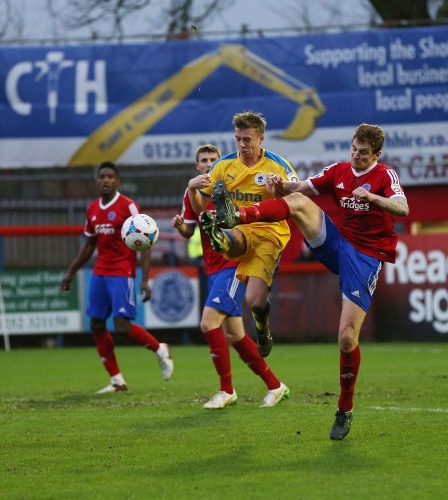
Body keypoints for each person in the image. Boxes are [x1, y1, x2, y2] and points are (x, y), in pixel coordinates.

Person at [211, 123, 409, 440]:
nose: (356, 156)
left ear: (377, 155)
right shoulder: (339, 171)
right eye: (354, 149)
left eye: (363, 153)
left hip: (365, 258)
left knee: (346, 338)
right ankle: (239, 216)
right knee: (301, 203)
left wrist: (373, 197)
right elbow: (300, 188)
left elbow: (403, 207)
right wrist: (281, 185)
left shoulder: (385, 176)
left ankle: (344, 410)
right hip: (337, 243)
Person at [172, 144, 289, 409]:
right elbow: (188, 231)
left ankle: (226, 391)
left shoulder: (231, 184)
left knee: (208, 323)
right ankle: (275, 385)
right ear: (197, 165)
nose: (209, 163)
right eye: (204, 160)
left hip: (234, 265)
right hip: (212, 270)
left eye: (213, 159)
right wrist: (180, 226)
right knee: (235, 335)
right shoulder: (195, 193)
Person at [188, 111, 299, 358]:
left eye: (247, 139)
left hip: (270, 234)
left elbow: (297, 199)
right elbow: (198, 207)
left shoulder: (277, 166)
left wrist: (280, 191)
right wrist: (192, 189)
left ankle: (263, 328)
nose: (242, 144)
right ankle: (219, 236)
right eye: (238, 139)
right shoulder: (223, 165)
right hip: (240, 228)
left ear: (261, 139)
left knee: (255, 301)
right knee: (233, 231)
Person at [60, 161, 174, 393]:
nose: (105, 180)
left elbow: (147, 241)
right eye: (101, 176)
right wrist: (71, 272)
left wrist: (144, 278)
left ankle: (160, 348)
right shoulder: (92, 208)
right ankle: (117, 380)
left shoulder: (128, 206)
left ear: (117, 181)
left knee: (122, 326)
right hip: (100, 271)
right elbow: (90, 244)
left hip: (122, 271)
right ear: (96, 180)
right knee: (96, 323)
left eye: (110, 176)